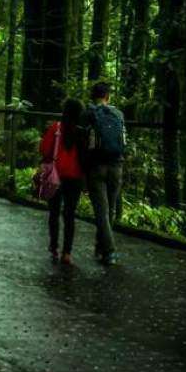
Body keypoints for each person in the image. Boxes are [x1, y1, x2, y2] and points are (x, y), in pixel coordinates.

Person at [81, 81, 126, 266]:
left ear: (93, 96)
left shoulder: (87, 114)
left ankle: (109, 251)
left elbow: (82, 144)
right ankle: (101, 247)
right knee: (111, 209)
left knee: (101, 211)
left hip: (96, 167)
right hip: (116, 165)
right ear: (108, 96)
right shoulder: (118, 114)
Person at [39, 98, 86, 265]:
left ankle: (54, 248)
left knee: (54, 212)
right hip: (76, 176)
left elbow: (43, 149)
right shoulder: (83, 131)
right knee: (70, 214)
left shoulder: (56, 128)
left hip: (55, 176)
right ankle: (67, 253)